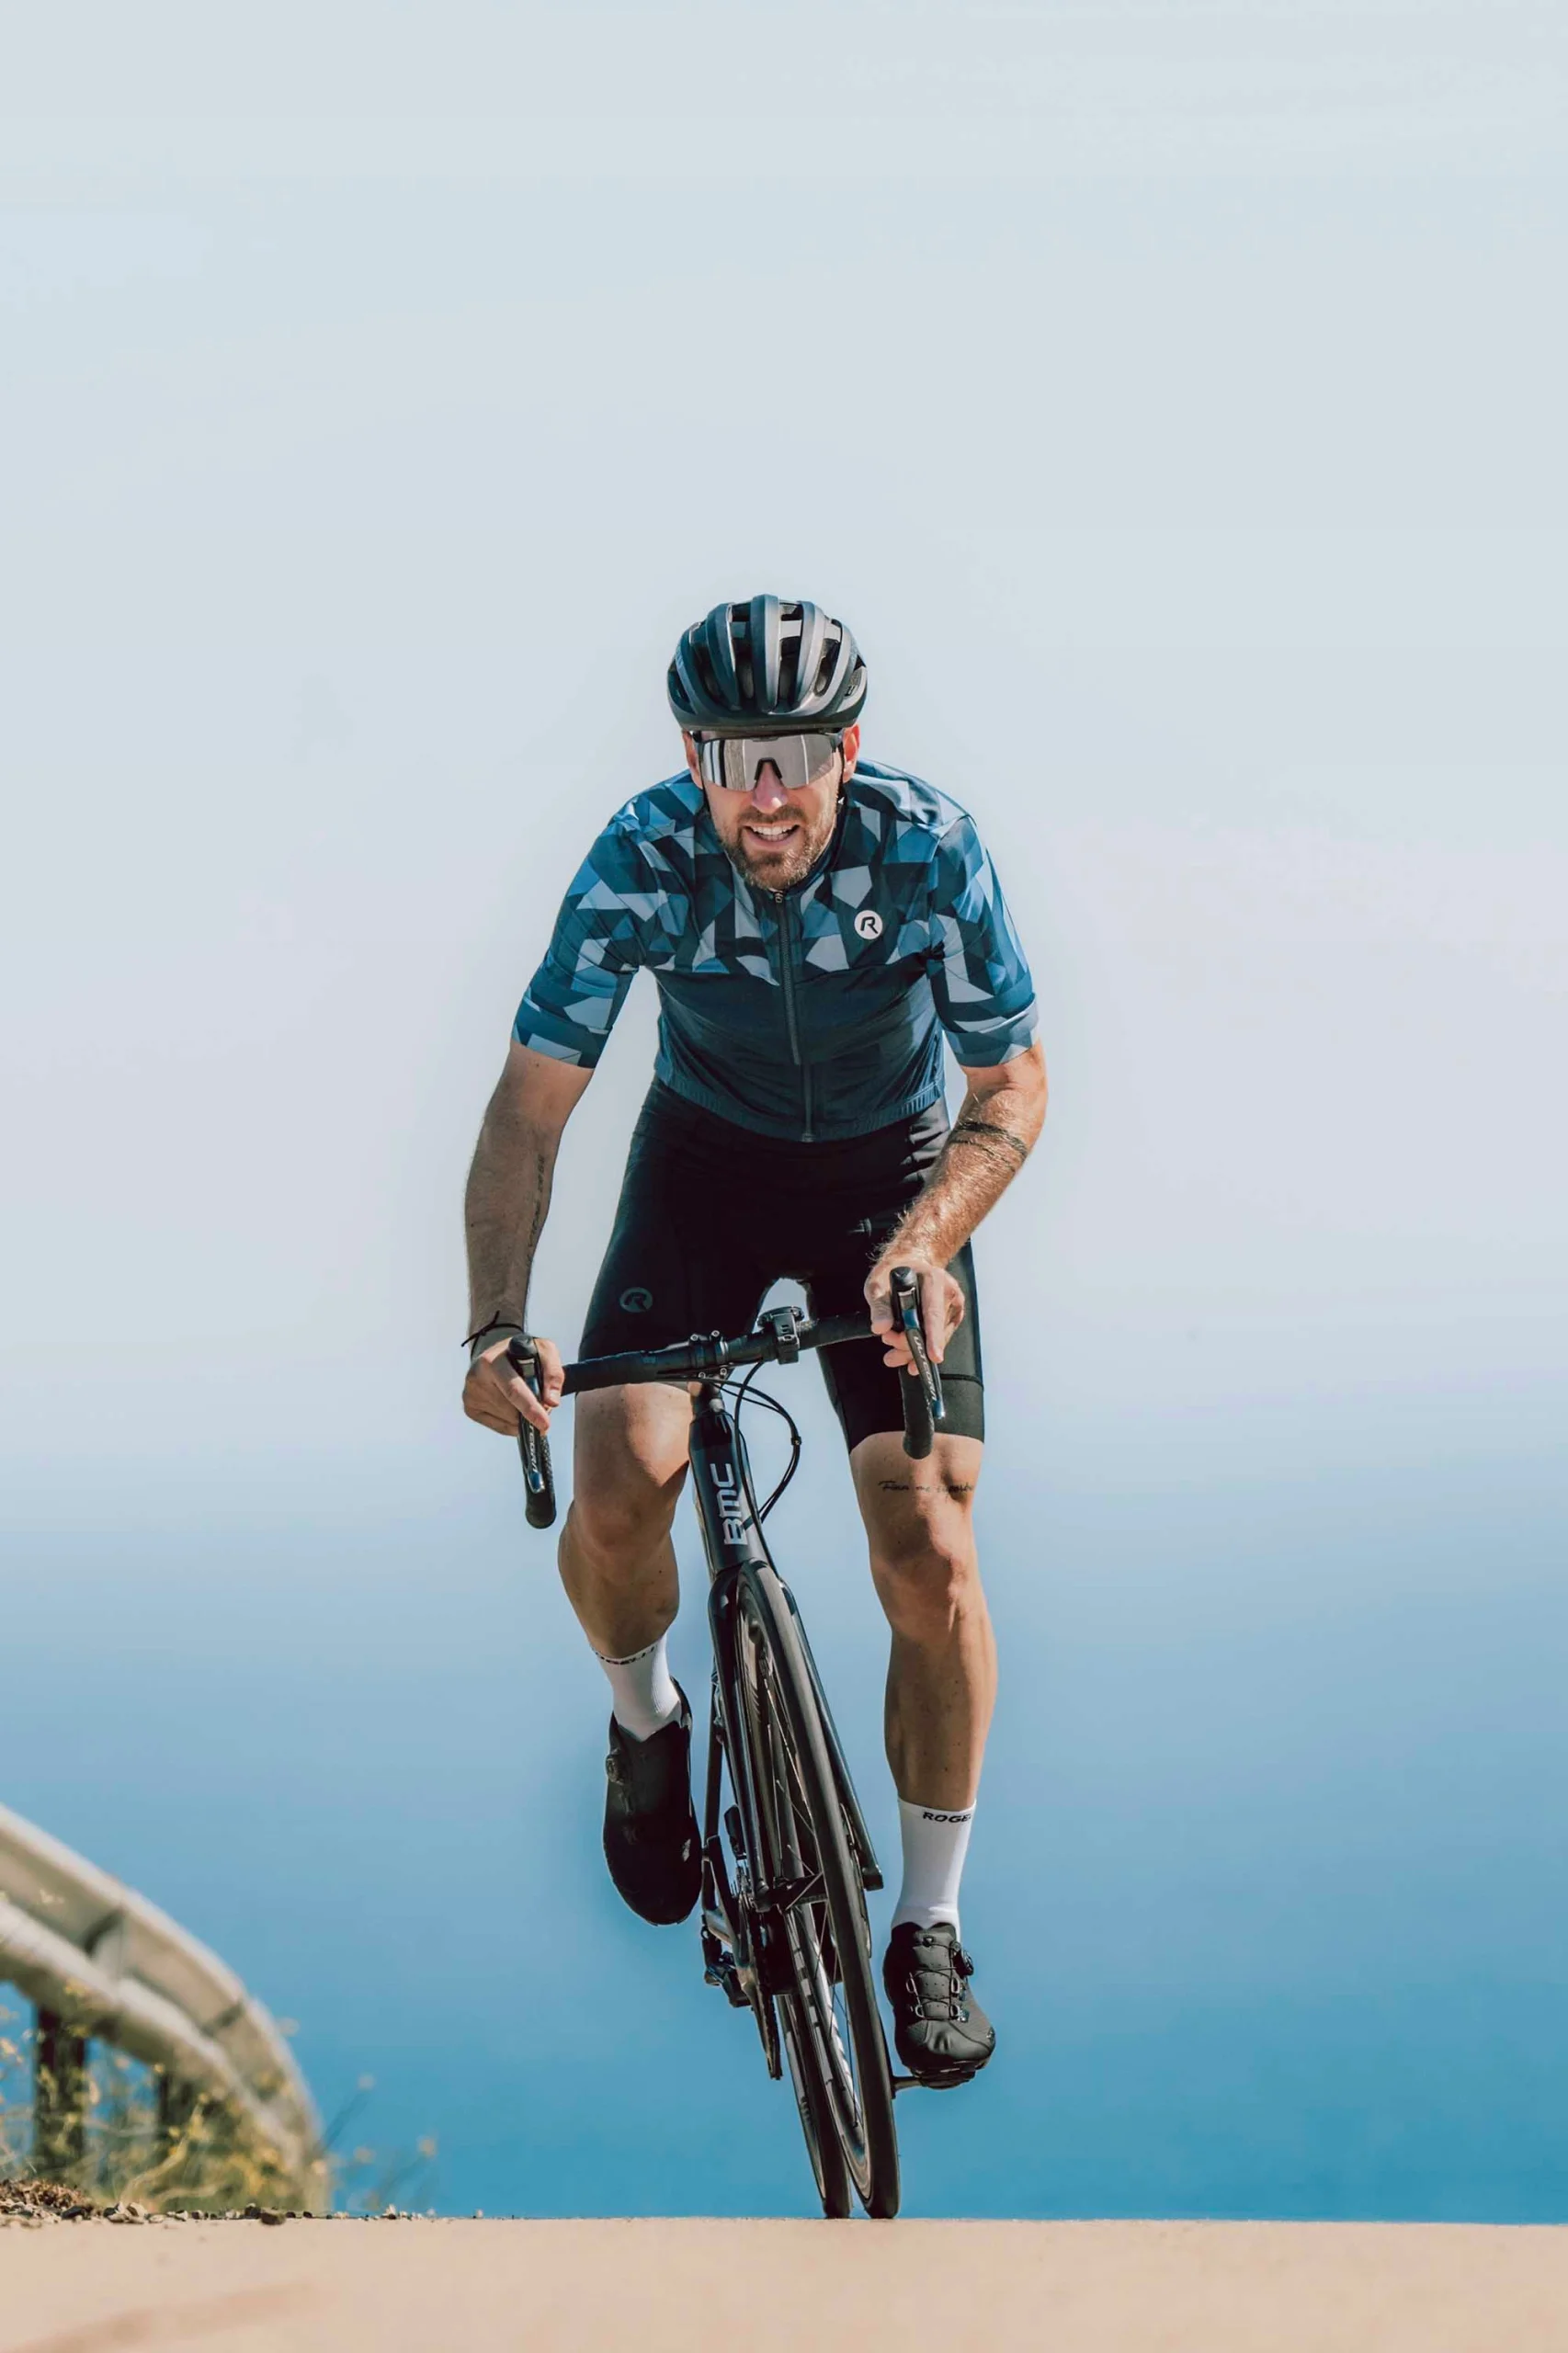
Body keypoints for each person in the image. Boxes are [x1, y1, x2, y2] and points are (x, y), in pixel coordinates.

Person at [462, 595, 1045, 2086]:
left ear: (848, 748)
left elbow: (1010, 1085)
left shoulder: (928, 849)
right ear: (693, 759)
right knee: (619, 1486)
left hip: (888, 1186)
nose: (765, 792)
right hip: (702, 1172)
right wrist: (495, 1323)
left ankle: (928, 1925)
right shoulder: (640, 857)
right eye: (733, 756)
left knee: (930, 1542)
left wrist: (925, 1241)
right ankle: (644, 1724)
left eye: (794, 754)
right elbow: (531, 1108)